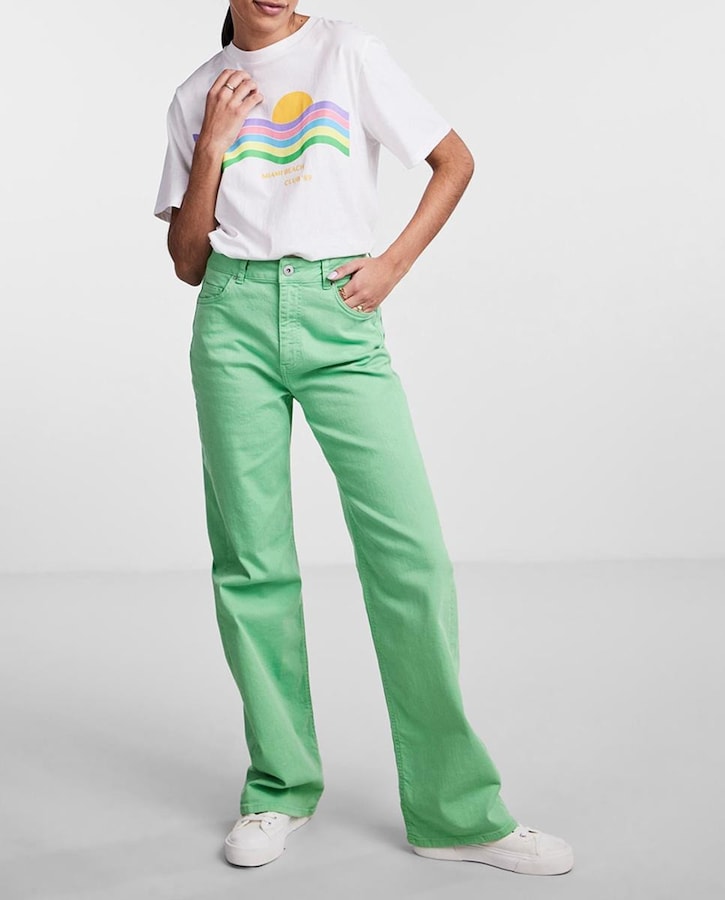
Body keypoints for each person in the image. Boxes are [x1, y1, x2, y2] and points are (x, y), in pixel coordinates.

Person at [153, 0, 573, 876]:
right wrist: (212, 146)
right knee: (251, 562)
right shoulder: (197, 91)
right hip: (231, 317)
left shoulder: (347, 52)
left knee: (410, 557)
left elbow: (453, 160)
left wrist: (391, 265)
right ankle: (278, 787)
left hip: (339, 315)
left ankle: (454, 810)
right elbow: (188, 260)